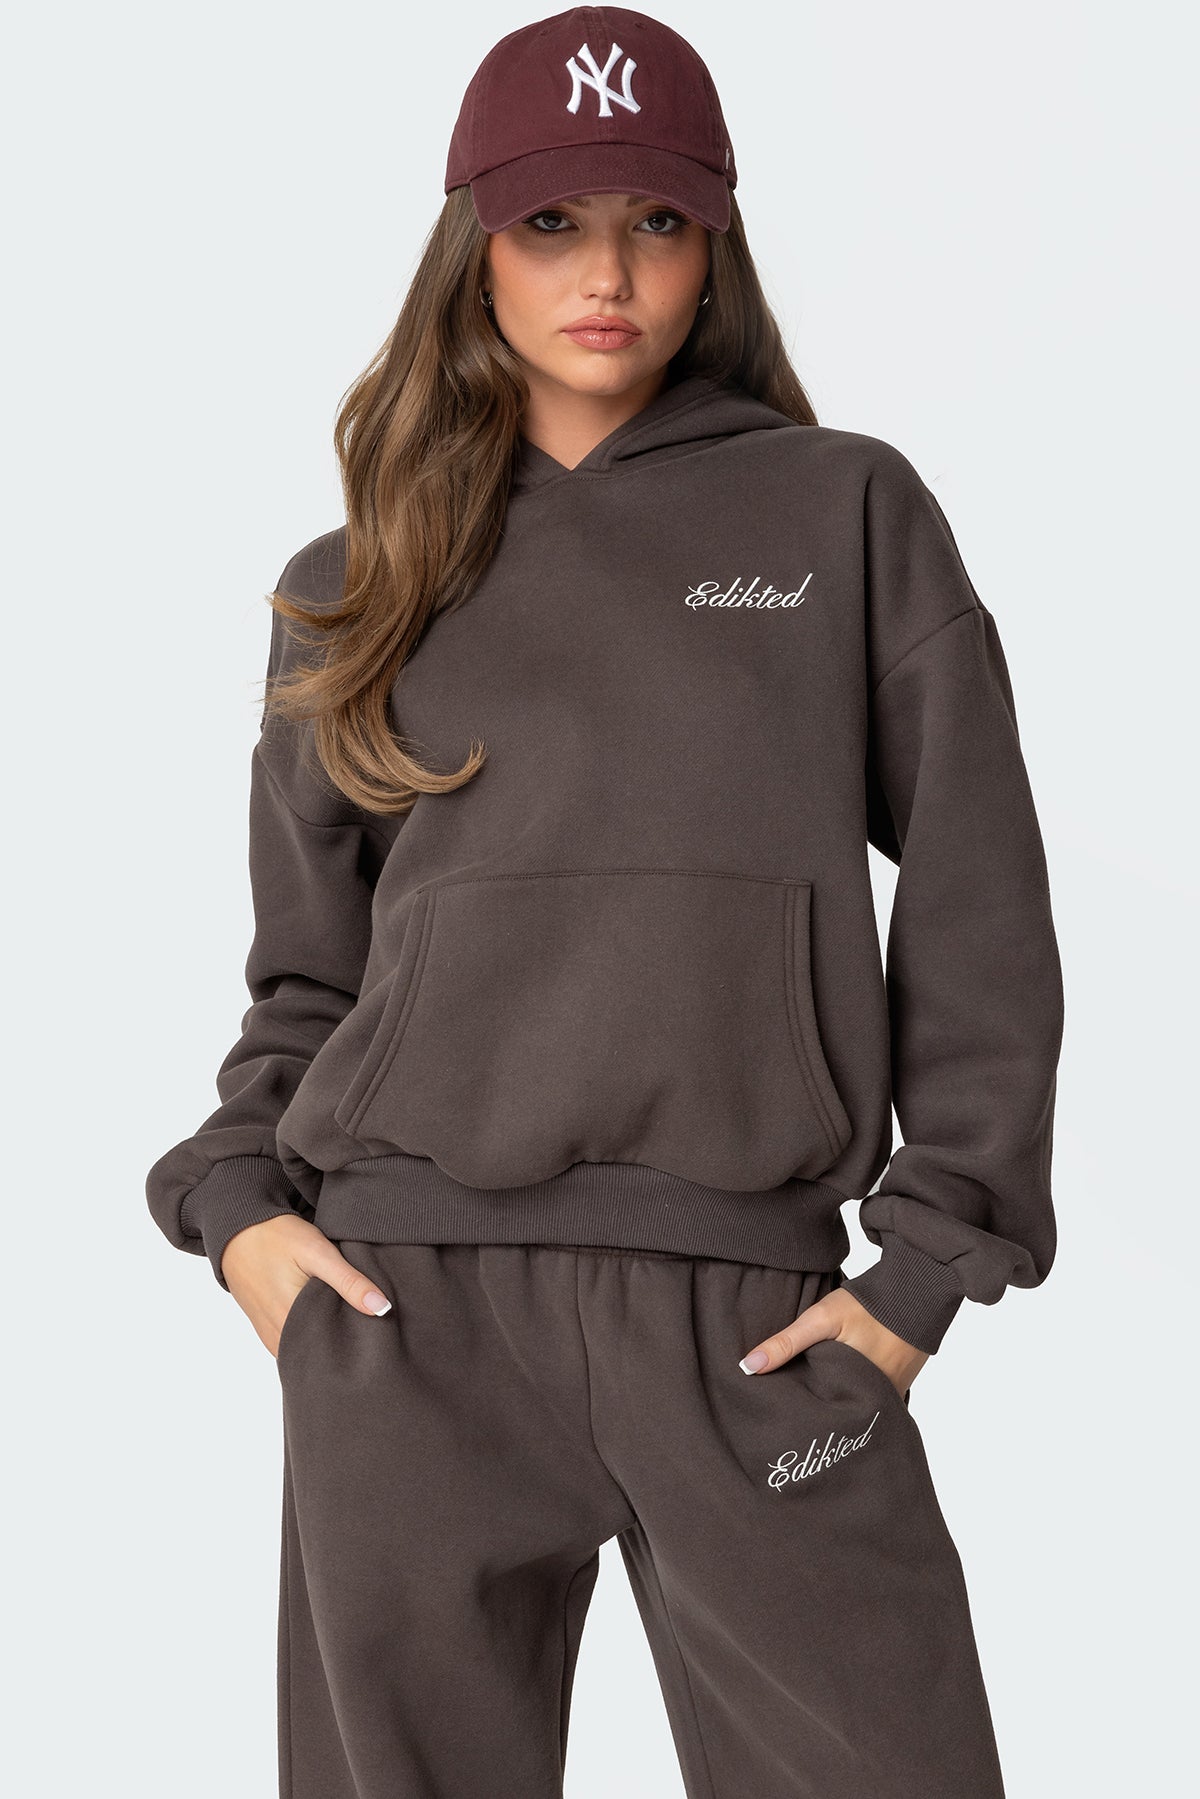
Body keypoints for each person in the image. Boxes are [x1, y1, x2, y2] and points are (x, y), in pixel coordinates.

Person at [145, 8, 1065, 1796]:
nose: (609, 273)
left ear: (714, 240)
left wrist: (927, 1270)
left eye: (656, 219)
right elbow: (306, 981)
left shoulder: (842, 516)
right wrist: (243, 1213)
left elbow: (980, 902)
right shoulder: (360, 580)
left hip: (755, 1329)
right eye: (552, 222)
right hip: (405, 1320)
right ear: (474, 243)